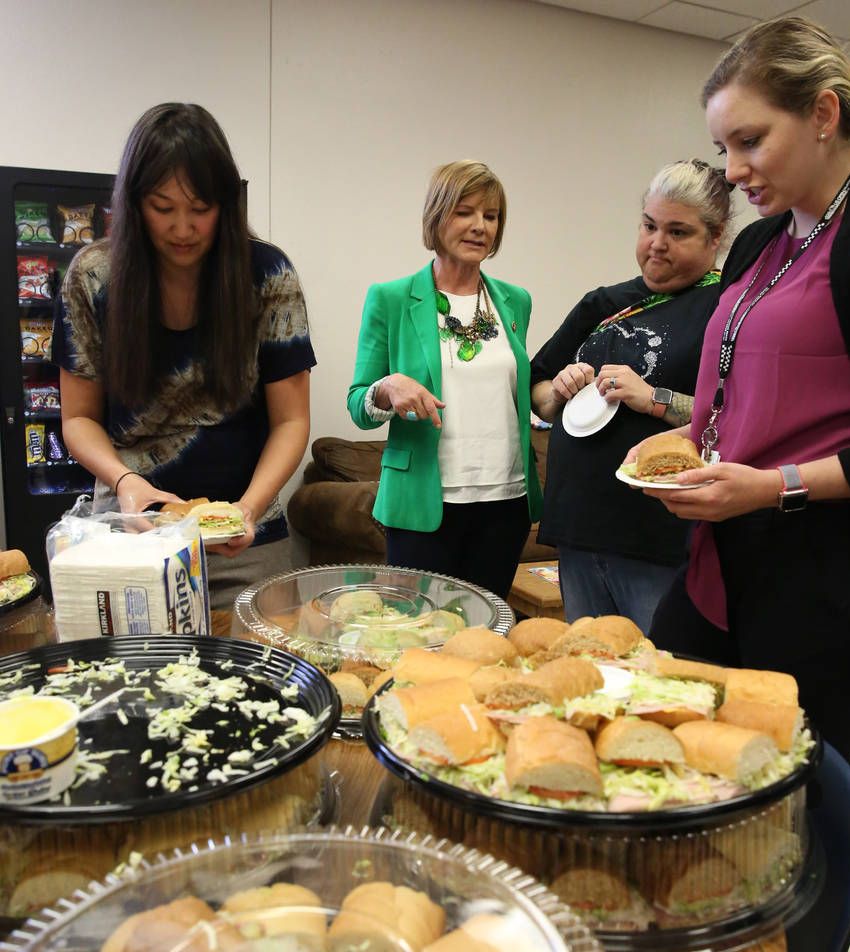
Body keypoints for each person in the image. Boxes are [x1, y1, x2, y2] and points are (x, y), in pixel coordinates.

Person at [635, 19, 850, 952]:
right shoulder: (763, 240)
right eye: (723, 148)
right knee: (680, 793)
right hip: (715, 565)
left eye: (749, 142)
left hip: (812, 586)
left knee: (790, 826)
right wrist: (688, 449)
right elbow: (732, 385)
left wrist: (773, 485)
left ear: (823, 116)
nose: (730, 170)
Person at [52, 103, 314, 607]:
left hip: (247, 544)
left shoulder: (267, 273)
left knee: (265, 677)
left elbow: (291, 421)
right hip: (130, 536)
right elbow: (79, 418)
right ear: (133, 203)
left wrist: (248, 509)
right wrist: (127, 482)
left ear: (227, 203)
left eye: (200, 208)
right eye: (162, 207)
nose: (182, 228)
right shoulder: (93, 277)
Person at [530, 160, 732, 631]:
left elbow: (737, 411)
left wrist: (653, 397)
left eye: (678, 232)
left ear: (715, 236)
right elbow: (536, 391)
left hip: (660, 538)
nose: (657, 244)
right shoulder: (602, 302)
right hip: (578, 527)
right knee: (593, 681)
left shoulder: (727, 306)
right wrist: (557, 391)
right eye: (649, 225)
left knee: (654, 685)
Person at [346, 160, 542, 599]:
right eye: (465, 212)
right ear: (437, 217)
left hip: (506, 502)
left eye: (491, 217)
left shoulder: (515, 301)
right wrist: (388, 387)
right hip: (423, 504)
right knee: (419, 638)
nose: (480, 227)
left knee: (488, 640)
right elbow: (358, 403)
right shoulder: (391, 298)